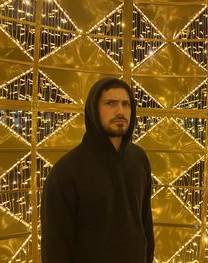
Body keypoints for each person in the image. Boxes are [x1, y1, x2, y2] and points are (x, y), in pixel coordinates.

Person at [41, 77, 154, 263]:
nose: (120, 111)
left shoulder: (139, 159)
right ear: (94, 109)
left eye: (126, 104)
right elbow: (55, 247)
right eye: (110, 103)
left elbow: (145, 224)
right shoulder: (66, 172)